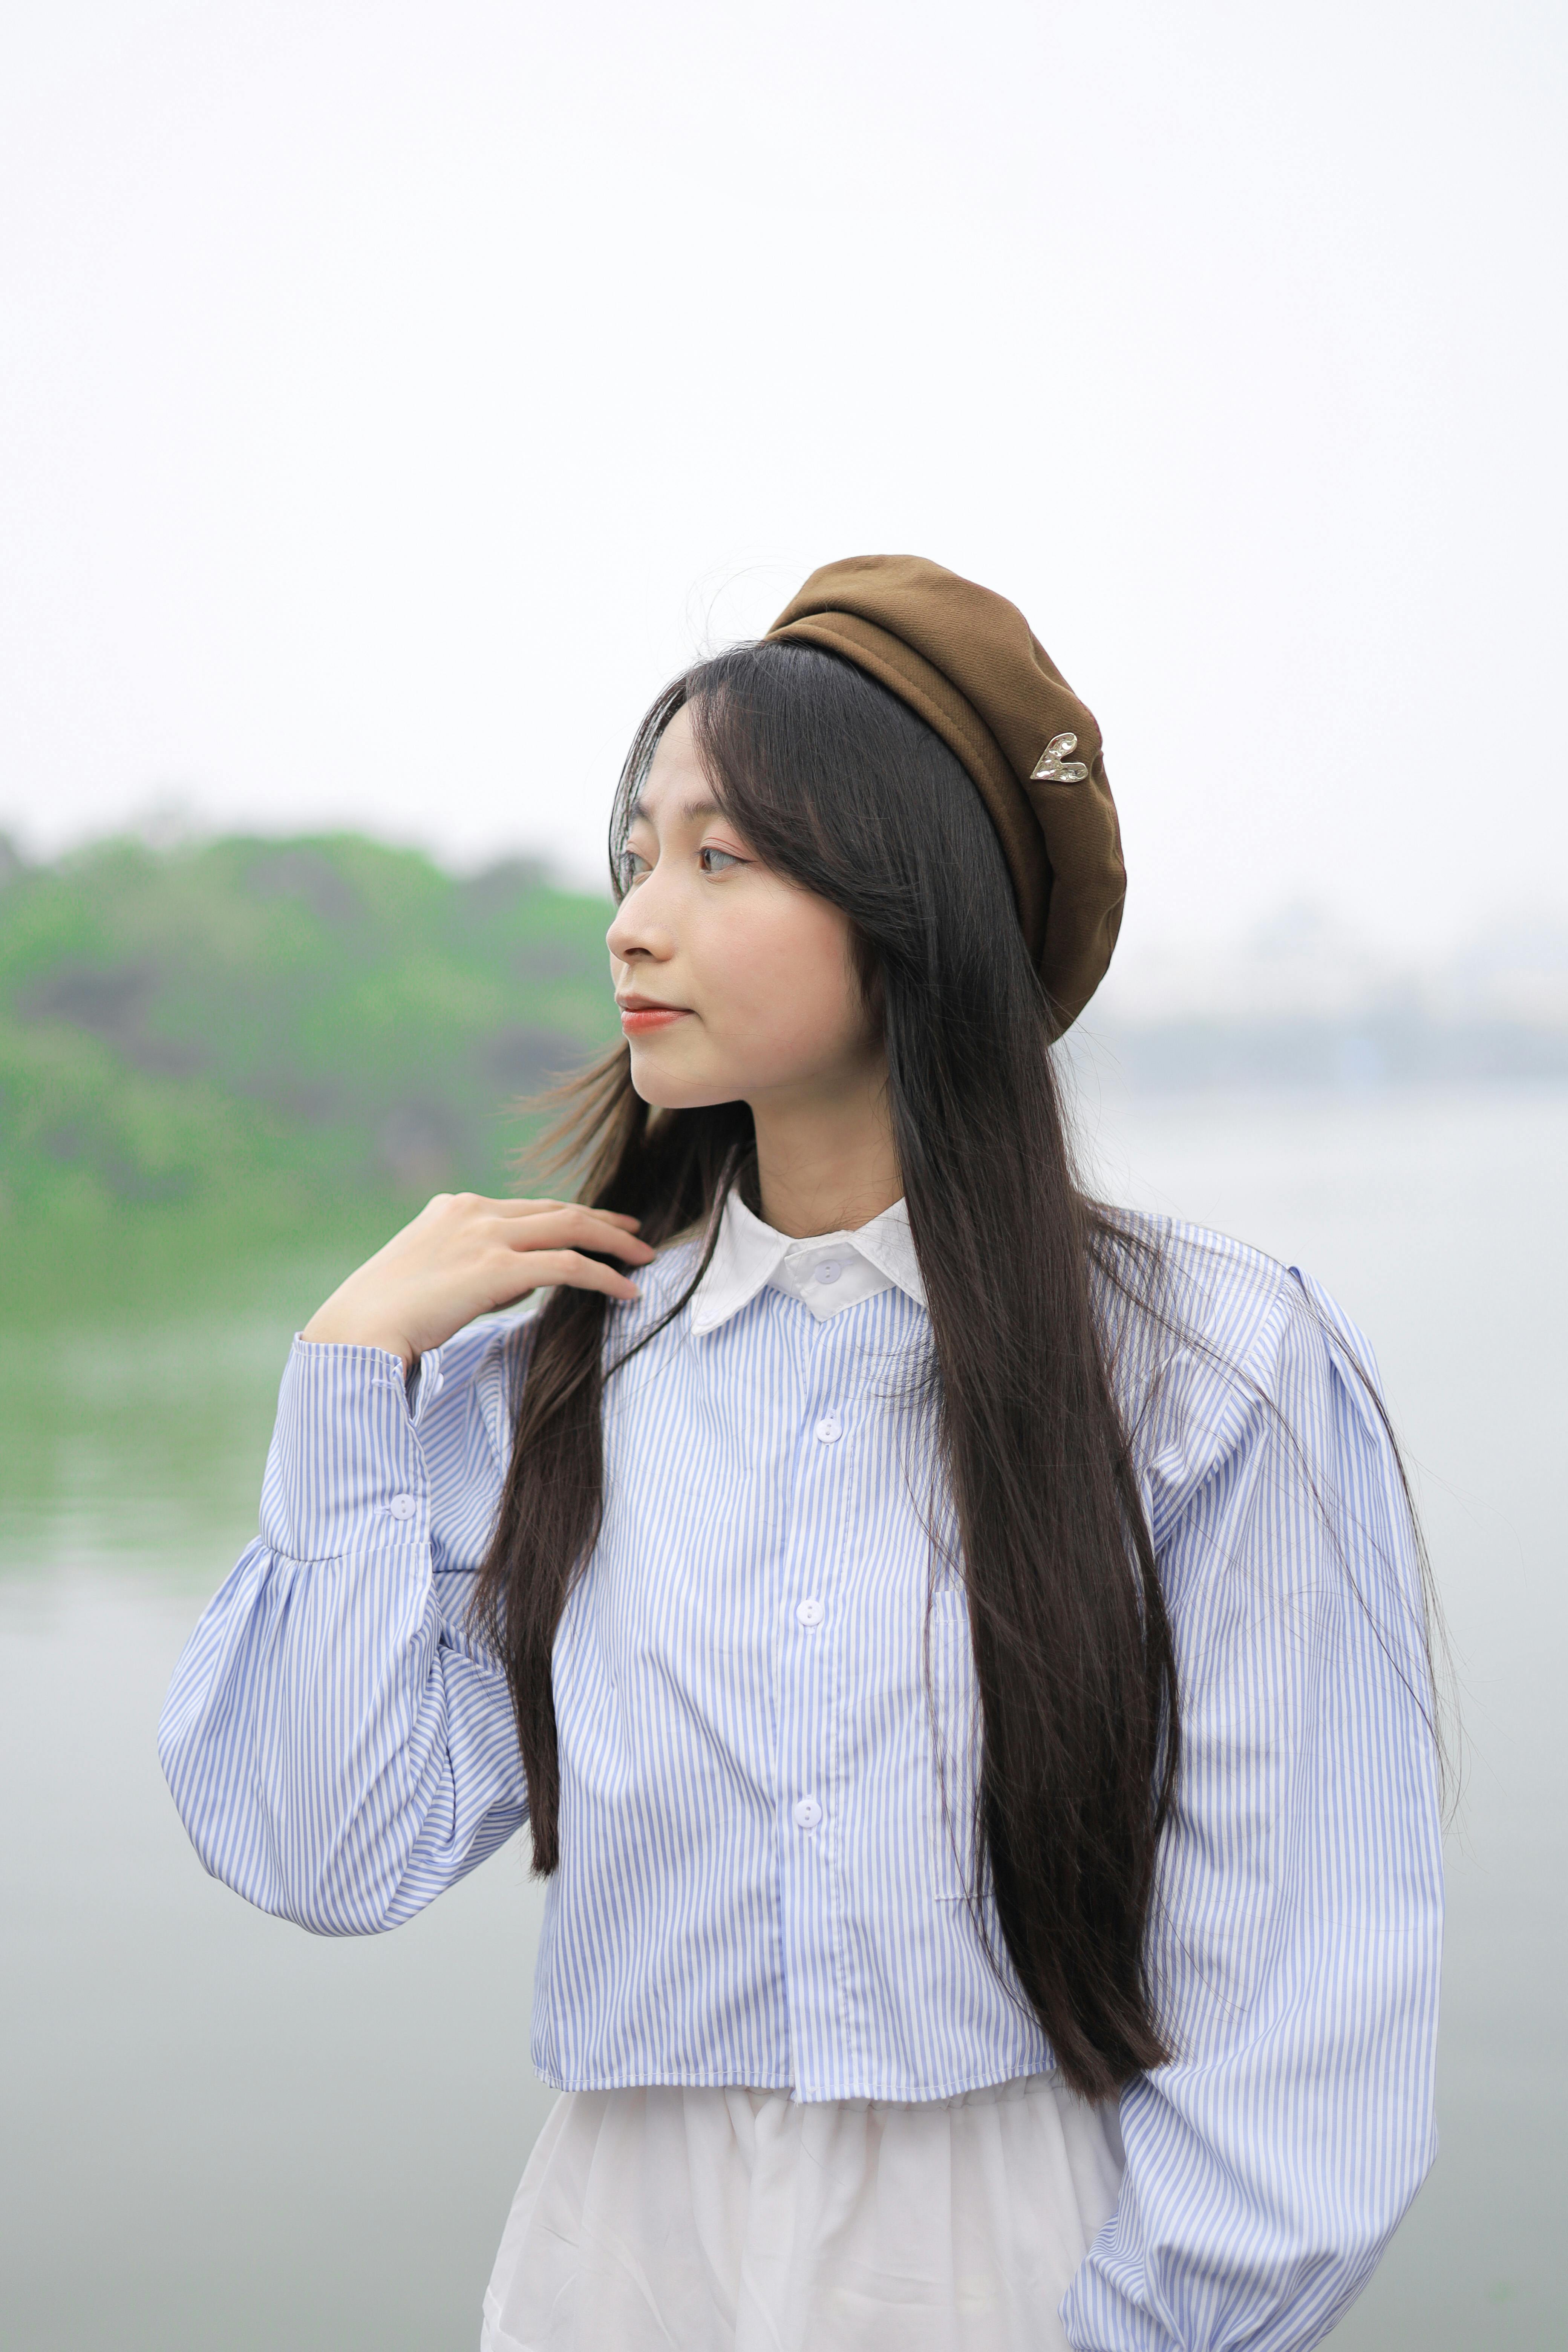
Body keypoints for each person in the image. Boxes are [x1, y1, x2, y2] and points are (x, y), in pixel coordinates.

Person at [158, 555, 1444, 2352]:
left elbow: (1304, 2016)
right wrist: (349, 1372)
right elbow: (322, 1846)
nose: (632, 919)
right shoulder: (554, 1372)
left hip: (1023, 2271)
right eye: (635, 852)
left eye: (719, 859)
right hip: (611, 2272)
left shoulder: (1208, 1377)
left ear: (905, 900)